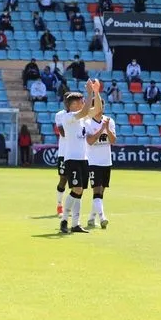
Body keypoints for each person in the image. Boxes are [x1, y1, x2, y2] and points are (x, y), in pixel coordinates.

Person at [58, 81, 100, 234]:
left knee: (80, 192)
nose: (84, 103)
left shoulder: (81, 118)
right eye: (81, 101)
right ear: (73, 104)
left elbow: (98, 110)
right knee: (76, 188)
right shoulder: (68, 117)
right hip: (72, 159)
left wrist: (96, 92)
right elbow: (85, 111)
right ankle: (64, 220)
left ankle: (75, 224)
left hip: (83, 159)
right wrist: (89, 93)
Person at [86, 109, 116, 230]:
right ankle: (102, 217)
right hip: (93, 162)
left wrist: (107, 129)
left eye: (101, 107)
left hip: (106, 162)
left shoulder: (110, 121)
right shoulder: (88, 123)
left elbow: (113, 141)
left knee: (100, 193)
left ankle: (91, 218)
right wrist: (101, 129)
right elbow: (90, 141)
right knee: (97, 191)